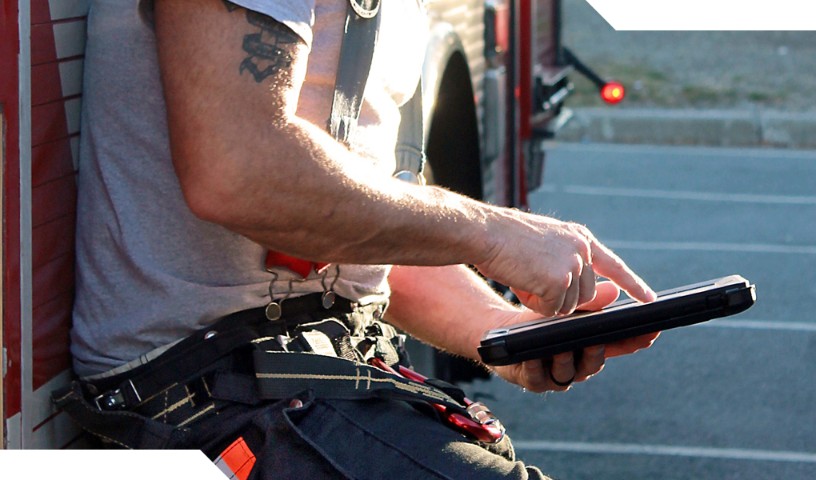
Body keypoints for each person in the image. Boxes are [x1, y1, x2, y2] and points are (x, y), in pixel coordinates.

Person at [62, 0, 659, 478]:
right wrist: (492, 234)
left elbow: (351, 222)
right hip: (200, 402)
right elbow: (238, 168)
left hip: (307, 376)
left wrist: (498, 331)